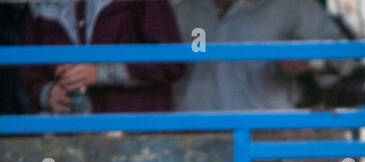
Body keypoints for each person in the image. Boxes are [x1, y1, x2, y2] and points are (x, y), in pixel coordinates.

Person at [172, 0, 348, 111]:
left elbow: (345, 57)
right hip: (197, 135)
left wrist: (310, 62)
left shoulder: (291, 5)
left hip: (265, 137)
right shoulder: (182, 11)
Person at [22, 0, 185, 114]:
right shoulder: (39, 5)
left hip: (135, 136)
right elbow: (30, 72)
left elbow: (171, 62)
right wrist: (49, 94)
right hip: (70, 138)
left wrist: (101, 73)